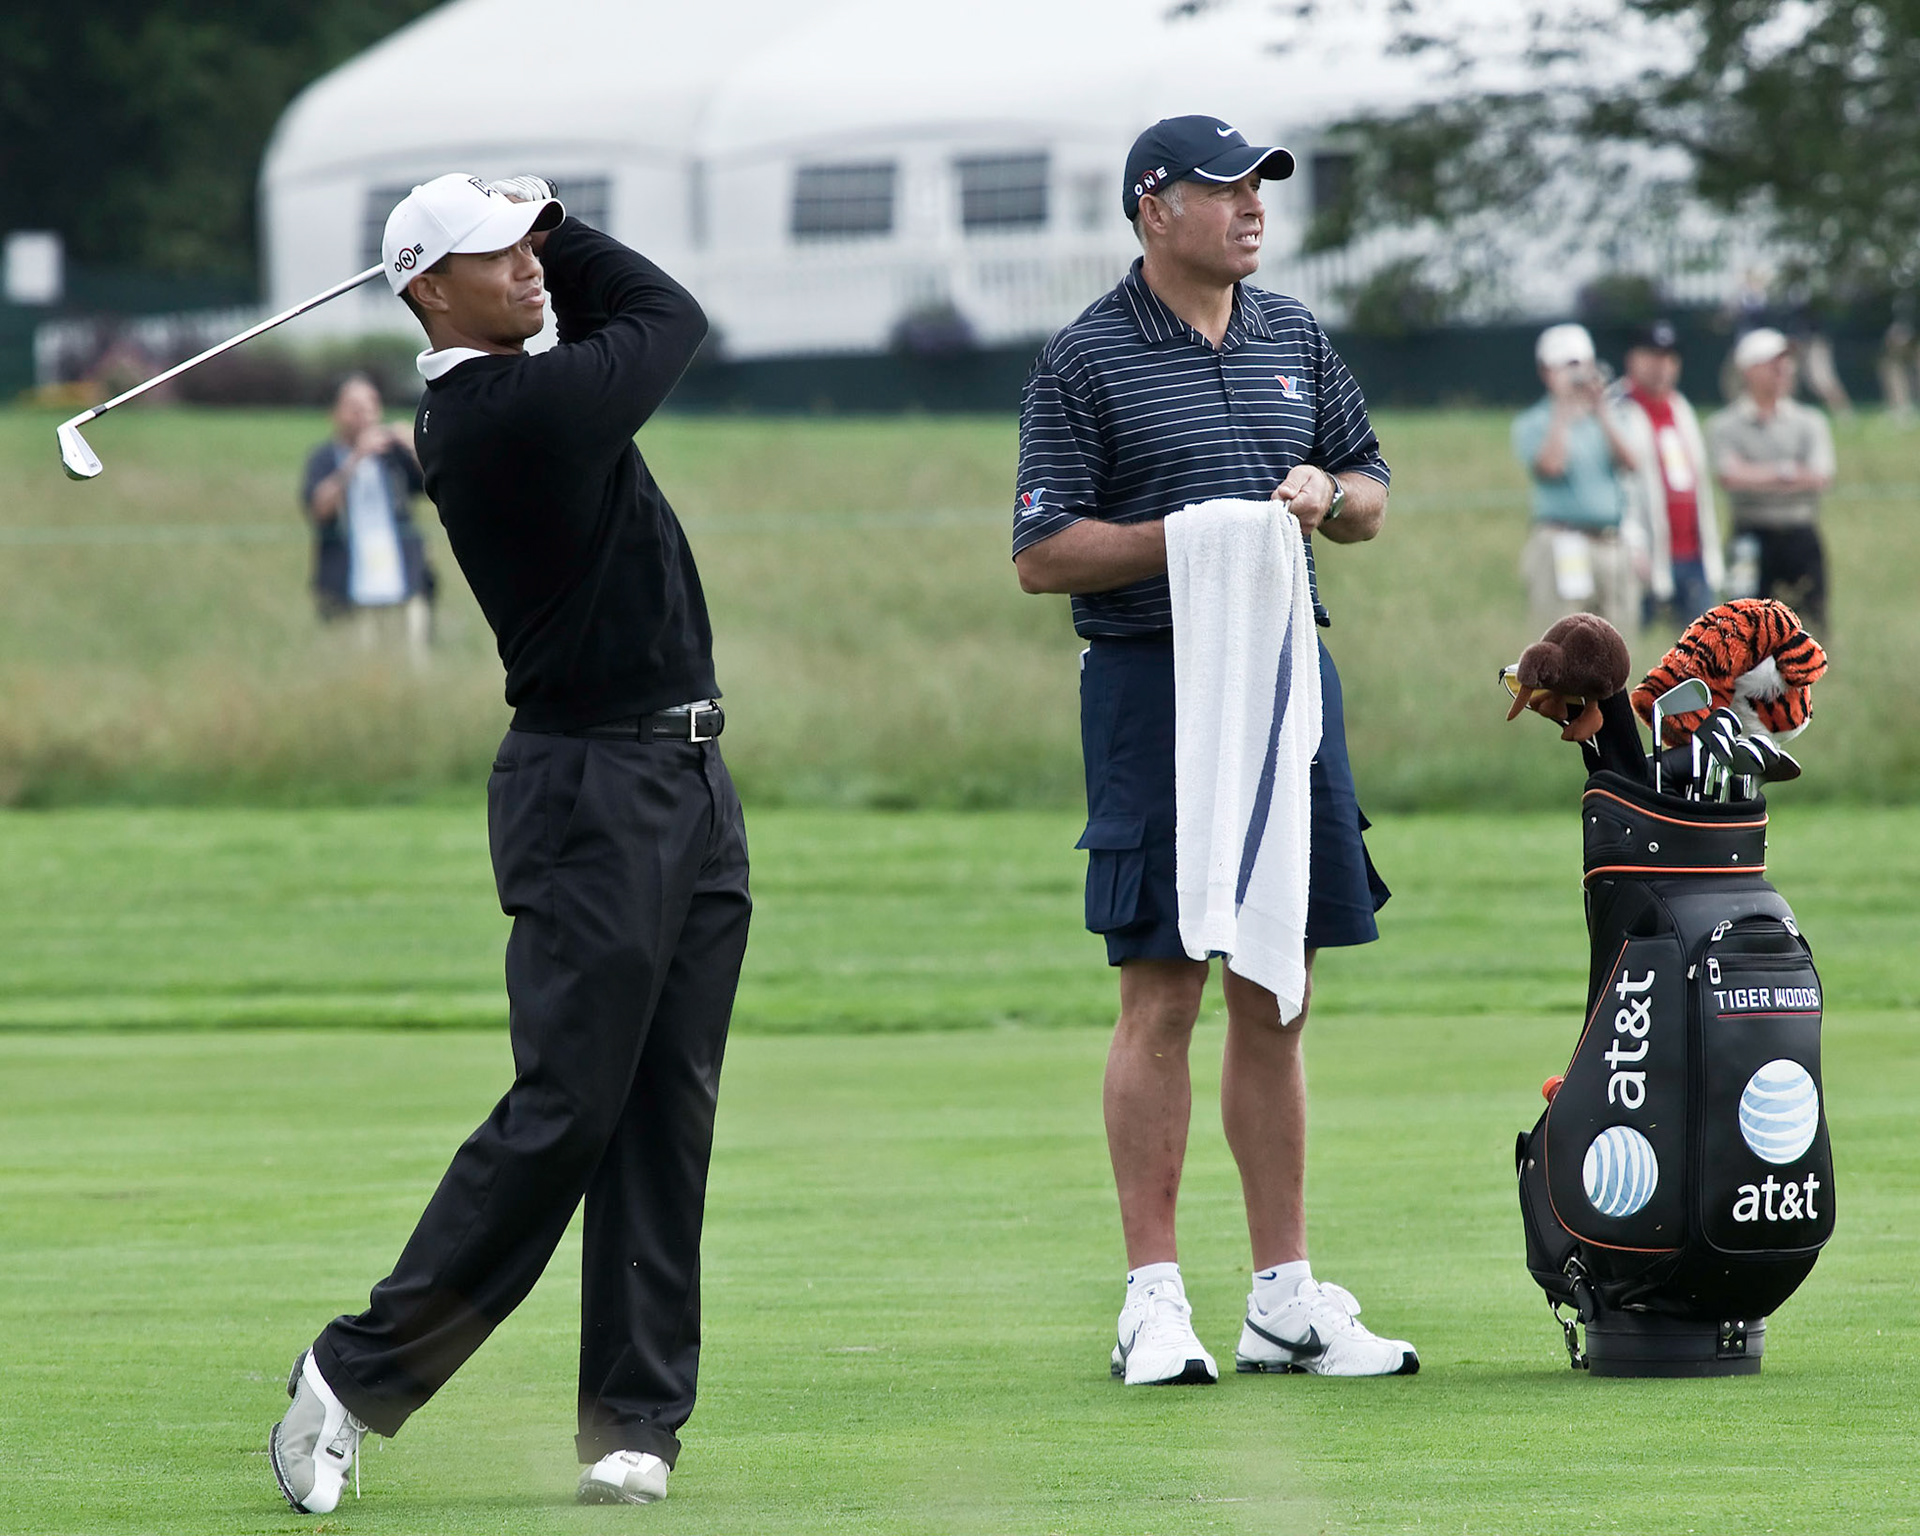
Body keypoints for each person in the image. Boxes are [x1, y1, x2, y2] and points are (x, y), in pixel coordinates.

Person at [267, 173, 750, 1514]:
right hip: (590, 791)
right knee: (568, 1113)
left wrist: (523, 229)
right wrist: (565, 220)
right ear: (427, 287)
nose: (530, 264)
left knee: (666, 1111)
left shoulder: (530, 388)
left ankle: (631, 1423)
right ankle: (351, 1376)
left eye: (532, 245)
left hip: (691, 780)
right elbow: (669, 313)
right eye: (499, 253)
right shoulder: (497, 417)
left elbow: (631, 319)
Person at [1013, 116, 1415, 1387]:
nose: (1252, 207)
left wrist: (1320, 495)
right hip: (1152, 685)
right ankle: (1154, 1298)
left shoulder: (1294, 332)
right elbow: (1042, 552)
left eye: (1260, 188)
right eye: (1224, 188)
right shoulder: (1085, 356)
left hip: (1290, 674)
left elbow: (1370, 492)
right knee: (1163, 987)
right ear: (1152, 207)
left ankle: (1285, 1299)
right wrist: (1191, 535)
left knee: (1277, 986)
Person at [1511, 323, 1642, 635]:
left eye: (1582, 365)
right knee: (1559, 645)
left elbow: (1631, 462)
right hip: (1561, 541)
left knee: (1617, 642)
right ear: (1546, 372)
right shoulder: (1534, 421)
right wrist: (1563, 409)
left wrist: (1601, 410)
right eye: (1567, 366)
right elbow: (1552, 466)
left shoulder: (1612, 416)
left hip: (1611, 542)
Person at [1707, 327, 1837, 631]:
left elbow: (1819, 476)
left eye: (1786, 362)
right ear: (1748, 371)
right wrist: (1789, 471)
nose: (1783, 369)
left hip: (1800, 535)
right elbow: (1729, 476)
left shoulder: (1810, 422)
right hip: (1749, 535)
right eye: (1772, 363)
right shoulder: (1725, 425)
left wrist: (1756, 473)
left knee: (1809, 625)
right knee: (1742, 627)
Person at [300, 374, 436, 657]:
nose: (364, 415)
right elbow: (318, 509)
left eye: (371, 406)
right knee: (357, 658)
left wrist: (414, 448)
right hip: (349, 582)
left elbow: (434, 487)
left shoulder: (393, 456)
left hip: (404, 578)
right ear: (336, 414)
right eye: (354, 408)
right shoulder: (324, 457)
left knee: (412, 654)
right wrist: (356, 458)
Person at [1611, 320, 1723, 630]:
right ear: (1632, 359)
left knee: (1703, 655)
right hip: (1644, 550)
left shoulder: (1680, 407)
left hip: (1691, 551)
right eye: (1652, 356)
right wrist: (1630, 541)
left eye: (1669, 358)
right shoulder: (1616, 408)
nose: (1662, 366)